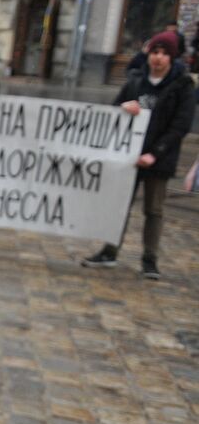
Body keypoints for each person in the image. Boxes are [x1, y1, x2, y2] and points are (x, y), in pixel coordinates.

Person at [81, 30, 194, 280]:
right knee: (120, 205)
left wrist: (156, 153)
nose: (158, 58)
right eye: (155, 52)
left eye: (164, 54)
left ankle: (149, 258)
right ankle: (110, 250)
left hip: (159, 158)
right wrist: (124, 109)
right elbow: (114, 110)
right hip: (129, 156)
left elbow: (181, 125)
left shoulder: (182, 85)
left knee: (154, 210)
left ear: (172, 58)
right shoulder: (135, 81)